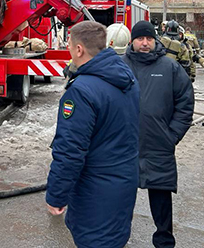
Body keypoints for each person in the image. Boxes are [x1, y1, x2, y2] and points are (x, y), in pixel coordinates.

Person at [46, 21, 140, 248]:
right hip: (124, 182)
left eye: (69, 44)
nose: (68, 49)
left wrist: (56, 196)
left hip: (95, 190)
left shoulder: (82, 91)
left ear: (79, 49)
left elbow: (70, 150)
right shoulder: (127, 78)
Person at [123, 20, 194, 248]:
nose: (145, 43)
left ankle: (164, 241)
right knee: (121, 196)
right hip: (125, 145)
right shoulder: (120, 65)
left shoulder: (169, 67)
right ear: (132, 40)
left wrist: (171, 136)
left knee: (161, 196)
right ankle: (117, 236)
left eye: (149, 39)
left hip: (158, 144)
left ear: (156, 40)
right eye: (140, 39)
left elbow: (185, 103)